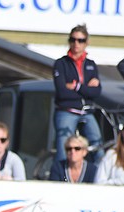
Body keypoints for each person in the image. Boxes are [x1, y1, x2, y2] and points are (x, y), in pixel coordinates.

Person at [53, 24, 103, 163]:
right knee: (64, 150)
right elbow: (62, 92)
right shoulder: (61, 64)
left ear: (86, 43)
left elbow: (97, 92)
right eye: (73, 40)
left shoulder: (91, 65)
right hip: (66, 111)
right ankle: (60, 181)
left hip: (87, 111)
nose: (76, 43)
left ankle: (101, 181)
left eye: (80, 40)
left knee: (98, 148)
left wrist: (76, 86)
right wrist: (86, 89)